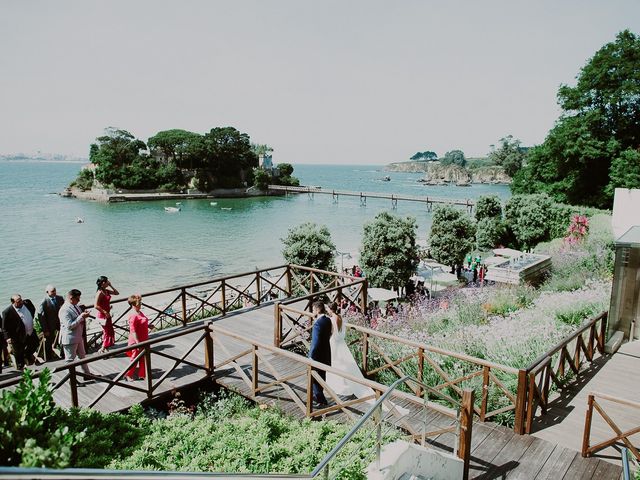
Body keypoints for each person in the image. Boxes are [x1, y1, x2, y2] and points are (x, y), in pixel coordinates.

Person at [325, 302, 408, 416]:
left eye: (328, 309)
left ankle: (341, 386)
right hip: (341, 343)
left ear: (330, 309)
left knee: (337, 363)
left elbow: (332, 333)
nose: (327, 310)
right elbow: (341, 333)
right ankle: (344, 384)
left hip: (334, 343)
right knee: (343, 364)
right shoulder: (340, 318)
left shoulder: (331, 319)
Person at [59, 289, 92, 377]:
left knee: (82, 356)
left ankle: (87, 374)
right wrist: (81, 317)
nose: (79, 300)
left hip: (78, 336)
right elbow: (69, 325)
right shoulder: (64, 310)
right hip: (70, 338)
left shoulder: (75, 306)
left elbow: (78, 317)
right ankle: (71, 380)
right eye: (77, 299)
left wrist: (83, 315)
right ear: (71, 298)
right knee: (70, 361)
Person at [2, 295, 40, 369]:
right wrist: (7, 338)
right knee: (19, 354)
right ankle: (21, 369)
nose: (21, 302)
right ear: (13, 302)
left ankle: (27, 355)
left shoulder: (27, 303)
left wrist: (29, 318)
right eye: (18, 301)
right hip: (17, 336)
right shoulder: (7, 312)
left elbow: (33, 309)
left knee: (35, 344)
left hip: (30, 332)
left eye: (21, 300)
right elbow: (4, 327)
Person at [308, 301, 332, 407]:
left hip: (317, 355)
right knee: (322, 376)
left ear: (318, 310)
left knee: (314, 378)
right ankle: (320, 396)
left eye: (313, 309)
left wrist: (311, 356)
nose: (312, 311)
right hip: (326, 353)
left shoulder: (318, 324)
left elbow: (315, 342)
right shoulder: (327, 320)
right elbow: (330, 334)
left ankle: (321, 400)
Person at [125, 294, 154, 381]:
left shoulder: (139, 312)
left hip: (143, 338)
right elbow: (133, 330)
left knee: (142, 357)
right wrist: (137, 342)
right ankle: (128, 375)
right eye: (139, 303)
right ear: (134, 304)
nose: (141, 304)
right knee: (135, 358)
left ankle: (142, 374)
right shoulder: (133, 315)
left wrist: (148, 326)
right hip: (136, 340)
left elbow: (141, 322)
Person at [37, 285, 64, 361]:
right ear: (47, 292)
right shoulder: (44, 302)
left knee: (63, 338)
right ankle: (49, 358)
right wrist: (45, 330)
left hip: (59, 323)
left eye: (55, 290)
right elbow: (41, 317)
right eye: (52, 291)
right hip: (49, 325)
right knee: (49, 342)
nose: (54, 292)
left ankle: (63, 353)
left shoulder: (60, 298)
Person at [94, 276, 119, 353]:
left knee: (110, 331)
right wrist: (104, 312)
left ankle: (107, 347)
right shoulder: (99, 293)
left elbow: (117, 293)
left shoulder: (106, 291)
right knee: (107, 332)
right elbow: (96, 305)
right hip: (103, 315)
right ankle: (103, 348)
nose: (108, 282)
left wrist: (111, 285)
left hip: (107, 314)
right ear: (103, 283)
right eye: (107, 282)